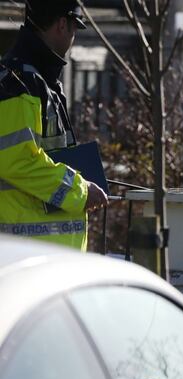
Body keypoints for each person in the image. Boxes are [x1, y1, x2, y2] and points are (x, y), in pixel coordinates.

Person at [0, 0, 107, 250]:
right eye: (74, 29)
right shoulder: (18, 84)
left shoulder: (35, 81)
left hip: (41, 256)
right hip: (28, 258)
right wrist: (80, 190)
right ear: (62, 24)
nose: (73, 39)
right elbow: (18, 161)